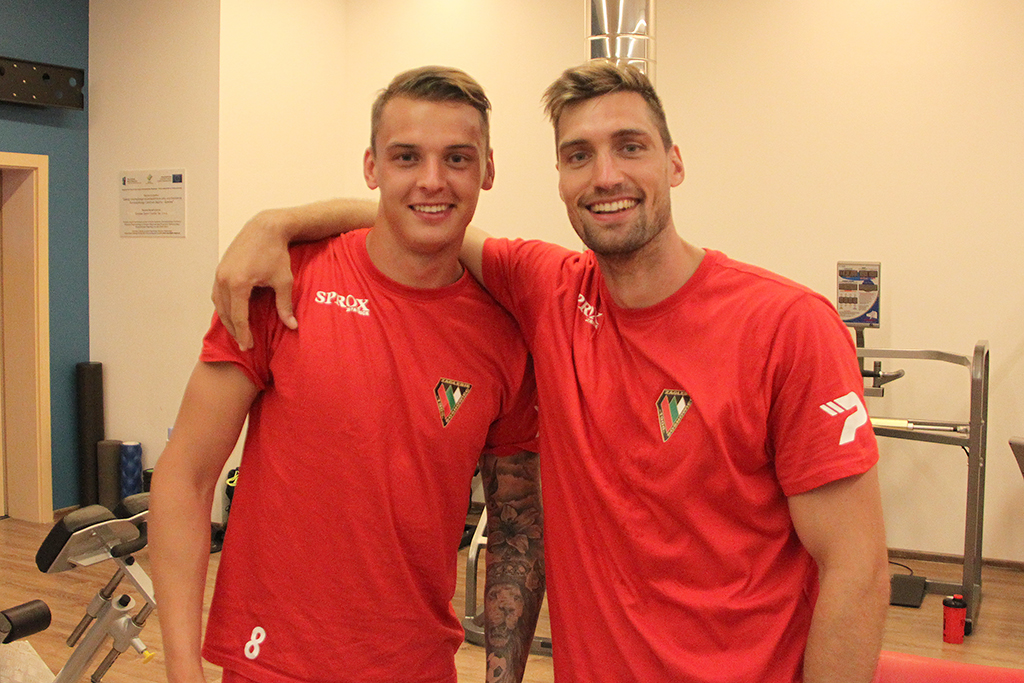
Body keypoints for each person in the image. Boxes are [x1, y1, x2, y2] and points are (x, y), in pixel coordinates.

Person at [212, 61, 891, 683]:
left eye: (630, 146)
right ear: (560, 179)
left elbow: (856, 572)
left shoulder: (787, 326)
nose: (605, 176)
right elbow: (422, 216)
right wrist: (277, 223)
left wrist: (279, 220)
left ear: (675, 162)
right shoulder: (550, 291)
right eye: (579, 155)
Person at [148, 66, 545, 683]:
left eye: (457, 158)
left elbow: (516, 532)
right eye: (406, 157)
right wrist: (180, 667)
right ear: (371, 167)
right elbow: (187, 477)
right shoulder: (284, 283)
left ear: (487, 170)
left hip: (416, 667)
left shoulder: (504, 335)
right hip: (268, 664)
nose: (432, 179)